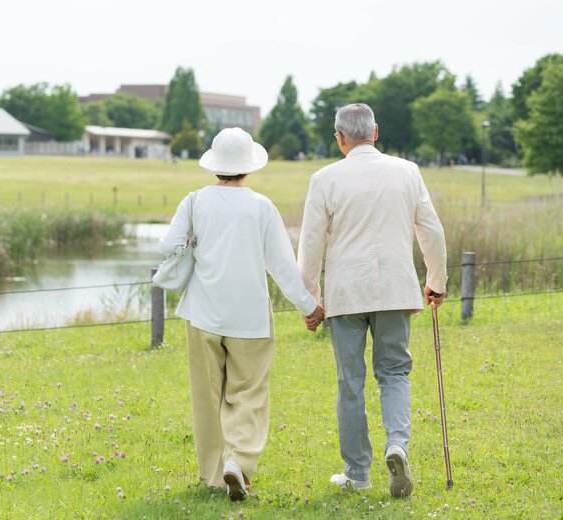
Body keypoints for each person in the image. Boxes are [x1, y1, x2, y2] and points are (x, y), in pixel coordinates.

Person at [159, 127, 325, 501]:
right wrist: (310, 308)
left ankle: (215, 475)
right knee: (248, 394)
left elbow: (167, 245)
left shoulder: (193, 201)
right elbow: (283, 266)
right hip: (249, 317)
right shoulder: (261, 206)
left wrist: (195, 243)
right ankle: (240, 463)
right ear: (248, 168)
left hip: (202, 313)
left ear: (214, 165)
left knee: (208, 397)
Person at [297, 103, 447, 497]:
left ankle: (357, 474)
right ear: (375, 132)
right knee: (394, 373)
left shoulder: (325, 178)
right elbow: (431, 229)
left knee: (351, 382)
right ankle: (397, 444)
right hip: (396, 290)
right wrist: (436, 280)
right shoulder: (407, 171)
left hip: (347, 294)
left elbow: (310, 243)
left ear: (340, 137)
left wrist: (309, 298)